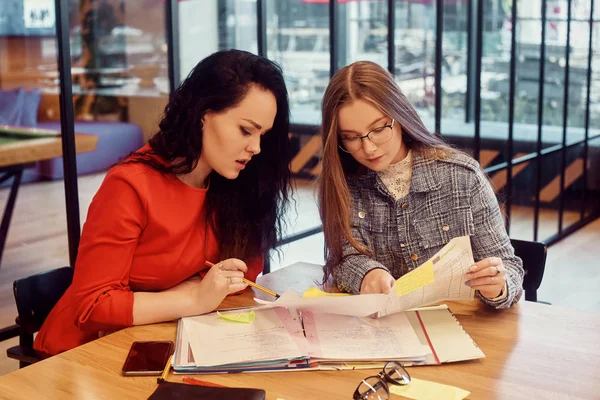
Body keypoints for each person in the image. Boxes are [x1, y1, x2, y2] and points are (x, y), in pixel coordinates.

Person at [34, 50, 293, 355]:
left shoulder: (233, 184)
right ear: (203, 114)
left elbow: (243, 272)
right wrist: (193, 298)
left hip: (164, 337)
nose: (256, 147)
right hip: (84, 352)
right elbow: (93, 306)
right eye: (246, 130)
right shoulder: (131, 185)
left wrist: (196, 294)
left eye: (263, 135)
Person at [318, 61, 523, 308]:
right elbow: (343, 258)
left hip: (461, 328)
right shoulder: (344, 184)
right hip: (385, 331)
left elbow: (509, 268)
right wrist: (367, 274)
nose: (368, 147)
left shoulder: (462, 178)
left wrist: (498, 286)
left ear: (400, 116)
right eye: (351, 137)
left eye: (379, 128)